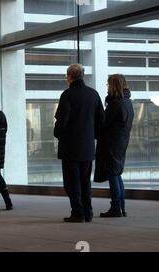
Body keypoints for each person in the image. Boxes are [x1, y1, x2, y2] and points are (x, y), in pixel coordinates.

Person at [54, 64, 104, 223]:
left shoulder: (67, 95)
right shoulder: (93, 94)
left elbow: (62, 119)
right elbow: (100, 120)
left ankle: (77, 212)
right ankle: (88, 212)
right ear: (82, 75)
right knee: (85, 181)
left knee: (71, 182)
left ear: (69, 76)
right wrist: (92, 136)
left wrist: (59, 134)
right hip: (88, 146)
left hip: (70, 146)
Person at [94, 74, 134, 218]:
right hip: (121, 143)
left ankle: (116, 207)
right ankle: (121, 207)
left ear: (113, 86)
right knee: (117, 174)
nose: (107, 87)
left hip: (111, 143)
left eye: (108, 85)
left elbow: (104, 124)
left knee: (113, 174)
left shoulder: (115, 104)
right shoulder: (128, 102)